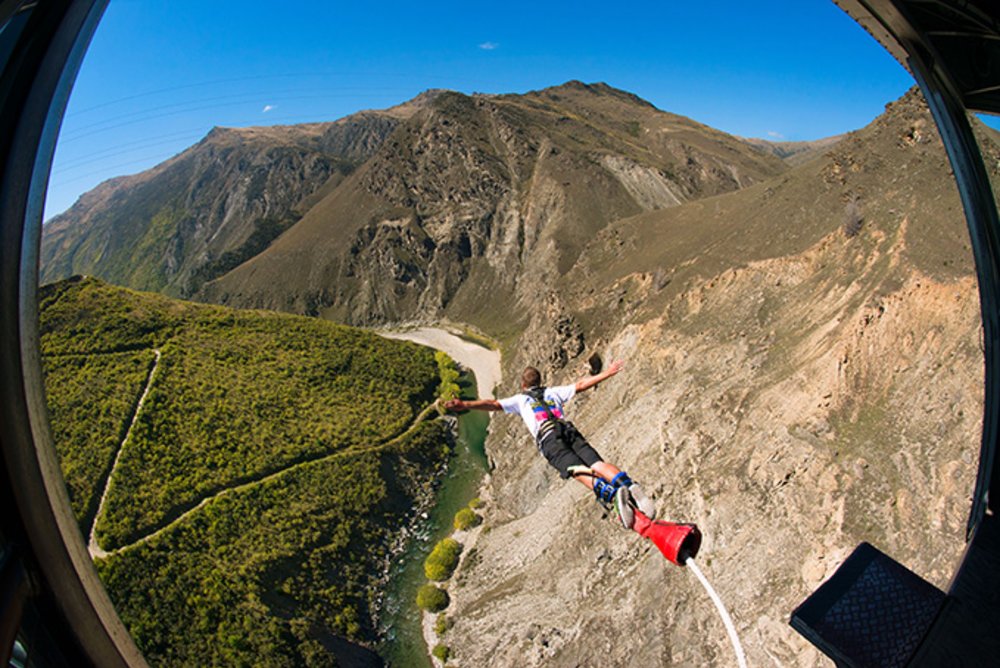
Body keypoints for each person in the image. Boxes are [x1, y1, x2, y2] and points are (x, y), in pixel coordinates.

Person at [444, 359, 655, 528]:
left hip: (549, 438)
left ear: (523, 385)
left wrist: (464, 404)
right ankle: (629, 485)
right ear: (539, 381)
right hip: (568, 429)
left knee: (576, 470)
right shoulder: (552, 392)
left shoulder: (520, 399)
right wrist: (608, 373)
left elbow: (492, 404)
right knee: (597, 464)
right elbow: (581, 385)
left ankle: (613, 496)